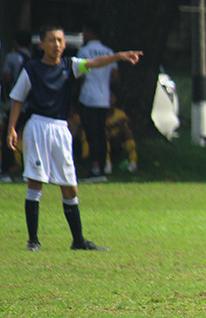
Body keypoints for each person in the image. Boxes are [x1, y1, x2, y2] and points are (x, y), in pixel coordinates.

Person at [6, 24, 142, 251]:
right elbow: (17, 99)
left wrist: (119, 56)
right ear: (41, 45)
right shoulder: (31, 69)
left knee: (70, 185)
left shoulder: (70, 66)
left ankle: (78, 240)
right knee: (35, 182)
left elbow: (95, 63)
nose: (56, 44)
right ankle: (33, 241)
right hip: (38, 126)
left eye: (60, 40)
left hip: (60, 129)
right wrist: (12, 128)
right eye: (51, 40)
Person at [77, 21, 116, 181]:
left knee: (91, 134)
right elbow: (115, 76)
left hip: (88, 97)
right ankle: (102, 167)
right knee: (101, 134)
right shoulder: (109, 51)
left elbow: (79, 73)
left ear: (90, 32)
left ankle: (94, 169)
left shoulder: (84, 51)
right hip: (103, 98)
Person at [1, 31, 33, 182]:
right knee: (28, 136)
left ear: (15, 42)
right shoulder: (34, 59)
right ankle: (29, 169)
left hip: (15, 102)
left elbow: (7, 77)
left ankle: (6, 170)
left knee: (9, 133)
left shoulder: (12, 57)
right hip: (31, 104)